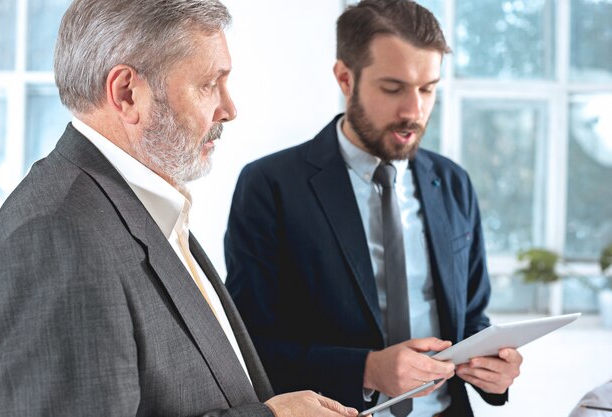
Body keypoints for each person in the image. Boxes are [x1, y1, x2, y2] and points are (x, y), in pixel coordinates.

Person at [0, 1, 359, 417]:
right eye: (207, 85)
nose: (229, 109)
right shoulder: (56, 239)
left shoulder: (144, 206)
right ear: (127, 93)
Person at [224, 1, 522, 416]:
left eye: (427, 88)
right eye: (393, 88)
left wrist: (496, 370)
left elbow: (472, 316)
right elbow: (249, 347)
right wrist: (366, 369)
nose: (413, 112)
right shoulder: (270, 186)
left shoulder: (454, 184)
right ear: (345, 79)